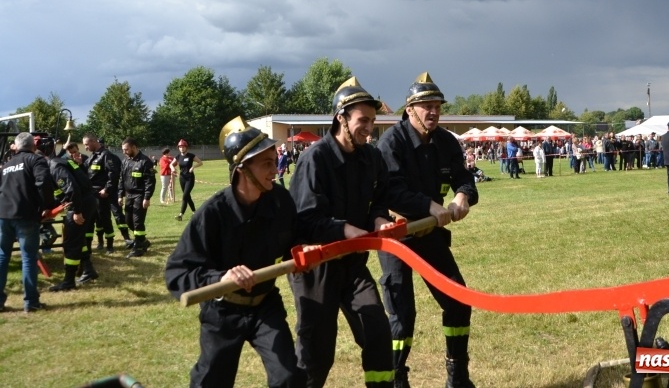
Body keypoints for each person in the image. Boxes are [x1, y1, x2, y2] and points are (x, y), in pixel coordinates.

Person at [166, 117, 305, 388]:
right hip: (222, 311)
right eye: (266, 164)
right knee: (211, 381)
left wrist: (302, 250)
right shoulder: (213, 214)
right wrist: (220, 278)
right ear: (242, 169)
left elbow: (295, 236)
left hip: (266, 305)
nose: (274, 170)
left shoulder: (280, 201)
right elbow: (177, 273)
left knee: (289, 376)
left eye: (272, 161)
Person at [288, 77, 395, 388]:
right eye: (363, 120)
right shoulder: (315, 159)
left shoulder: (372, 157)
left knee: (377, 331)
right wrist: (345, 229)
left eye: (373, 121)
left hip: (352, 264)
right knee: (317, 353)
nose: (369, 128)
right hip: (315, 267)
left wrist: (378, 219)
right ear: (341, 118)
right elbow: (305, 220)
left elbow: (381, 196)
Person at [377, 72, 479, 388]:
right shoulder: (390, 144)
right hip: (398, 238)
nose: (433, 112)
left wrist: (462, 196)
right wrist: (430, 206)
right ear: (409, 110)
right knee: (402, 317)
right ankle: (398, 379)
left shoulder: (446, 142)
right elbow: (392, 191)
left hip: (431, 235)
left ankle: (457, 375)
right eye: (425, 106)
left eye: (436, 106)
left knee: (459, 302)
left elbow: (465, 178)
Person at [0, 132, 57, 313]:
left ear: (15, 147)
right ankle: (31, 302)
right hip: (25, 215)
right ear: (34, 146)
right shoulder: (35, 160)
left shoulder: (6, 165)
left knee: (2, 257)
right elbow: (44, 183)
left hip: (3, 215)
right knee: (28, 258)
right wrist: (46, 206)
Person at [38, 136, 99, 291]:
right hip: (86, 201)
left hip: (80, 204)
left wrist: (77, 211)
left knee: (70, 242)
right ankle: (88, 270)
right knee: (79, 239)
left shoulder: (54, 166)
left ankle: (68, 281)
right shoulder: (63, 161)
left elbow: (72, 189)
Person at [83, 133, 127, 253]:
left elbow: (113, 174)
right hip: (92, 194)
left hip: (102, 194)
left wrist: (107, 189)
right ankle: (92, 245)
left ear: (93, 142)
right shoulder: (92, 157)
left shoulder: (106, 155)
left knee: (105, 218)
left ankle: (110, 246)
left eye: (86, 144)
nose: (85, 147)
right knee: (92, 220)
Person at [118, 137, 156, 258]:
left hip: (140, 195)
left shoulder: (145, 161)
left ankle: (138, 248)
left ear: (134, 147)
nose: (124, 152)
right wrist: (120, 195)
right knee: (129, 221)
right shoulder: (125, 161)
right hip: (129, 195)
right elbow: (121, 179)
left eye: (126, 149)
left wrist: (147, 197)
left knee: (138, 222)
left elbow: (150, 182)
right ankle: (143, 241)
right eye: (123, 150)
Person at [172, 139, 203, 221]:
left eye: (183, 147)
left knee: (185, 195)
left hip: (190, 178)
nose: (181, 148)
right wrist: (172, 168)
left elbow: (200, 162)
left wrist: (193, 167)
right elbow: (171, 164)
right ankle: (195, 212)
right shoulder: (178, 157)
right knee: (187, 196)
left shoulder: (191, 155)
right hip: (182, 178)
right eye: (180, 147)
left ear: (186, 147)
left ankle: (180, 215)